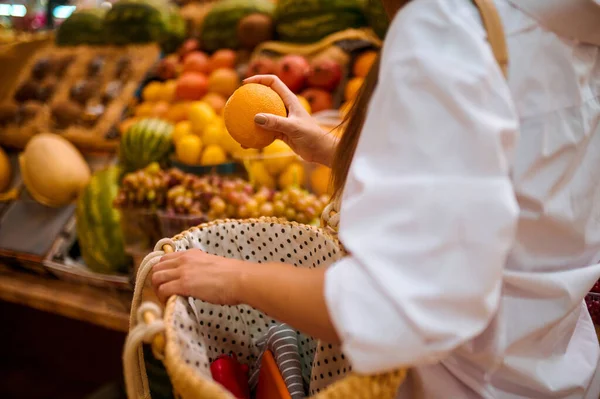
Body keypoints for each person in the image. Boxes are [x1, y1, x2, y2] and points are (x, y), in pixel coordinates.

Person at [151, 0, 600, 397]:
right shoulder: (562, 22)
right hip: (558, 370)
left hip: (454, 383)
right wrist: (329, 148)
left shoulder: (447, 28)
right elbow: (503, 180)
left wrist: (236, 279)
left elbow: (385, 307)